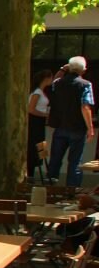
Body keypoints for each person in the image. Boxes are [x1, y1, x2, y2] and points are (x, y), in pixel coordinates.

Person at [47, 56, 95, 188]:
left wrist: (63, 69)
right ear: (83, 70)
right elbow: (85, 106)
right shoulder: (86, 85)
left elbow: (53, 82)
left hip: (60, 126)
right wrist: (90, 127)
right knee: (75, 162)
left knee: (55, 159)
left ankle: (50, 187)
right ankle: (71, 191)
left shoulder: (59, 83)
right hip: (78, 128)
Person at [27, 69, 53, 179]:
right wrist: (45, 115)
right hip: (35, 122)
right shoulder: (37, 93)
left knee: (41, 145)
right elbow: (31, 109)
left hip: (39, 123)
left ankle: (41, 166)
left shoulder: (41, 92)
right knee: (35, 145)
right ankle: (31, 172)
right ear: (46, 79)